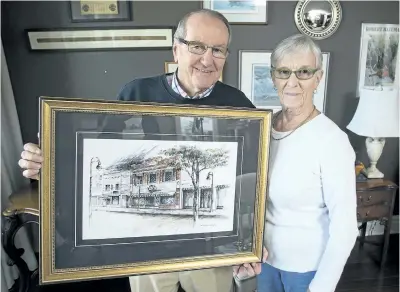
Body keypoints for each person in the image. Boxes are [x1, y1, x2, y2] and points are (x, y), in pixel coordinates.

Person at [18, 8, 267, 292]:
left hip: (210, 249)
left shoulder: (240, 106)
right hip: (148, 248)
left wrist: (251, 239)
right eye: (197, 46)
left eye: (218, 50)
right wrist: (48, 165)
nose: (207, 59)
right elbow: (97, 160)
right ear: (177, 50)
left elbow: (250, 180)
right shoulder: (135, 95)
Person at [257, 34, 359, 292]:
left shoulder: (332, 141)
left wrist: (320, 288)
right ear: (273, 77)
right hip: (264, 263)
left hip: (306, 272)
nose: (292, 82)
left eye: (303, 72)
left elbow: (345, 230)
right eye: (284, 71)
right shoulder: (261, 128)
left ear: (318, 77)